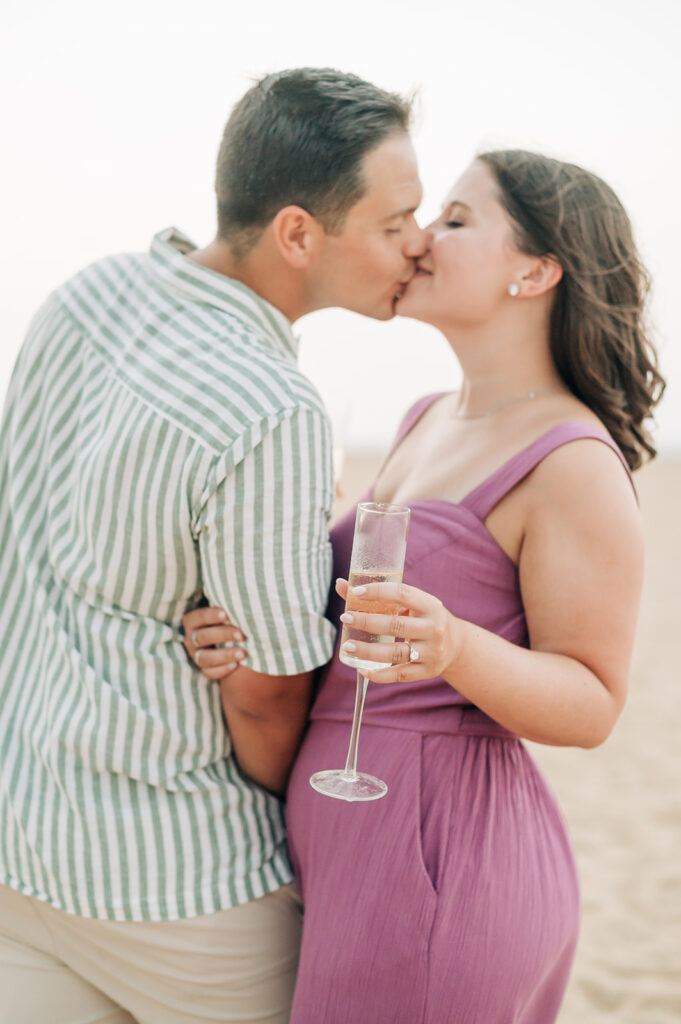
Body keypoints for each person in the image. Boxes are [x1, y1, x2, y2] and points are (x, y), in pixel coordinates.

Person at [186, 149, 664, 1022]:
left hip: (446, 860)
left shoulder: (571, 463)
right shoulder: (426, 416)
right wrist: (237, 632)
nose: (419, 240)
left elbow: (592, 702)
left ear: (535, 270)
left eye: (454, 219)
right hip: (344, 853)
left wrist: (452, 646)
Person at [0, 68, 427, 1024]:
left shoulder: (88, 293)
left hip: (20, 849)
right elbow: (271, 692)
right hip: (182, 887)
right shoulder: (269, 405)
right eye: (395, 223)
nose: (418, 245)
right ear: (297, 233)